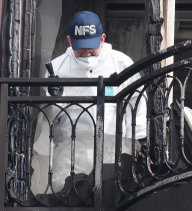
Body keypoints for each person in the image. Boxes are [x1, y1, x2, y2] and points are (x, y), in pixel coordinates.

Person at [32, 11, 147, 197]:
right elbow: (48, 120)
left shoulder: (122, 64)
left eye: (91, 48)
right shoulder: (57, 69)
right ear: (69, 41)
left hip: (112, 153)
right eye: (80, 49)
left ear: (102, 39)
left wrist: (137, 142)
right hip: (68, 154)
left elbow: (137, 104)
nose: (86, 54)